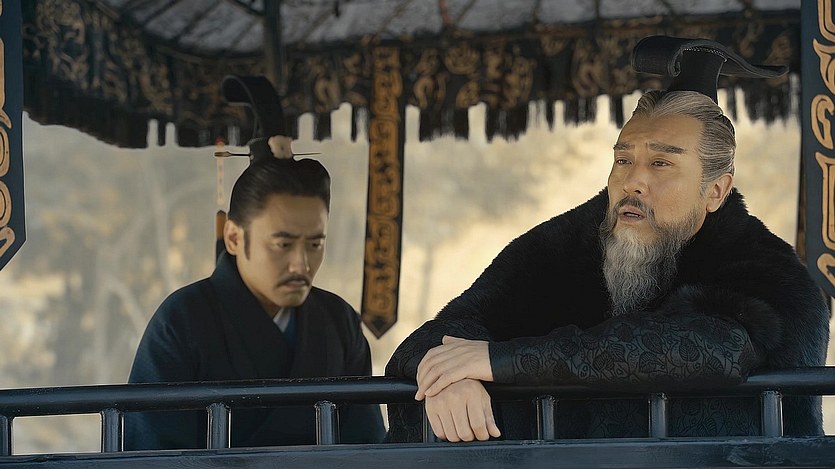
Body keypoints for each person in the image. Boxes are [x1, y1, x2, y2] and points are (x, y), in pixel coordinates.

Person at [385, 37, 830, 443]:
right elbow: (442, 334)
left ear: (715, 190)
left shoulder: (769, 273)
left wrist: (499, 361)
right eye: (623, 160)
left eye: (661, 164)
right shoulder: (568, 241)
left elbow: (703, 349)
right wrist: (451, 378)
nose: (633, 181)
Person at [126, 156, 385, 449]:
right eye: (283, 245)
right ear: (234, 238)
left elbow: (366, 443)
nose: (301, 264)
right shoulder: (181, 320)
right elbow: (151, 451)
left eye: (315, 244)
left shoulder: (338, 320)